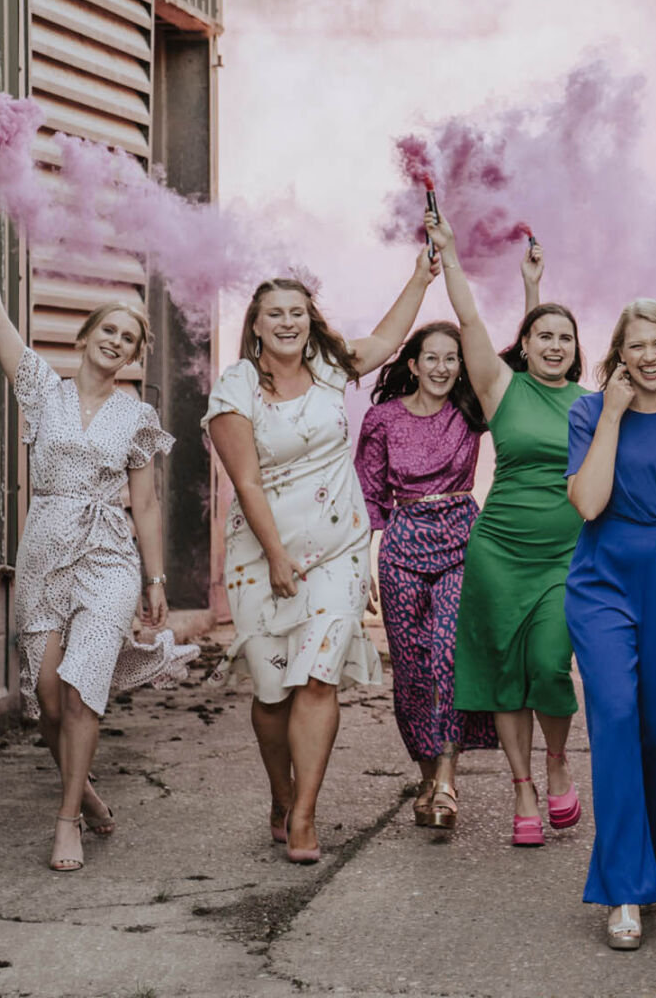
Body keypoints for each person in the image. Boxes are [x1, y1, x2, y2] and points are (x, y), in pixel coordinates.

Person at [0, 190, 196, 872]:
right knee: (49, 693)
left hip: (109, 556)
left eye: (130, 338)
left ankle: (65, 822)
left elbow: (145, 505)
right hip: (45, 549)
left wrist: (154, 581)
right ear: (85, 337)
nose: (117, 342)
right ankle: (81, 785)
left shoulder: (136, 417)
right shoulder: (42, 390)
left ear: (132, 355)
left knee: (86, 679)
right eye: (109, 331)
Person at [205, 261, 437, 863]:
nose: (287, 322)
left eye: (297, 312)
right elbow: (247, 484)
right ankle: (280, 795)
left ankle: (305, 814)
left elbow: (386, 341)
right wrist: (278, 558)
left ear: (311, 322)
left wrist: (419, 276)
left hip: (339, 551)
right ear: (255, 325)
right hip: (263, 558)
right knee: (272, 691)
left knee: (317, 676)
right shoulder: (236, 387)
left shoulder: (330, 370)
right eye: (274, 313)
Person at [429, 215, 589, 845]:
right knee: (501, 671)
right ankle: (522, 789)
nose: (554, 346)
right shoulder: (500, 388)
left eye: (565, 338)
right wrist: (449, 254)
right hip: (497, 552)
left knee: (550, 665)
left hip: (565, 553)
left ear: (578, 349)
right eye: (543, 336)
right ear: (525, 346)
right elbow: (469, 322)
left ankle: (557, 761)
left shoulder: (592, 403)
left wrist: (534, 290)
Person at [564, 300, 656, 950]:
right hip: (602, 579)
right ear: (618, 353)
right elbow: (590, 501)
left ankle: (649, 856)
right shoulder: (591, 412)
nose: (649, 356)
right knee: (618, 720)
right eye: (636, 346)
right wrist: (616, 415)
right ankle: (624, 886)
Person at [356, 320, 497, 832]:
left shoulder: (469, 411)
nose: (442, 368)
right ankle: (425, 772)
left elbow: (512, 367)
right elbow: (369, 497)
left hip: (462, 539)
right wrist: (362, 565)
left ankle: (446, 778)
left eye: (451, 359)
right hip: (402, 544)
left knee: (448, 654)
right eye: (431, 358)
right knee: (412, 671)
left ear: (462, 366)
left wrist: (531, 287)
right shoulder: (382, 419)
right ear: (412, 364)